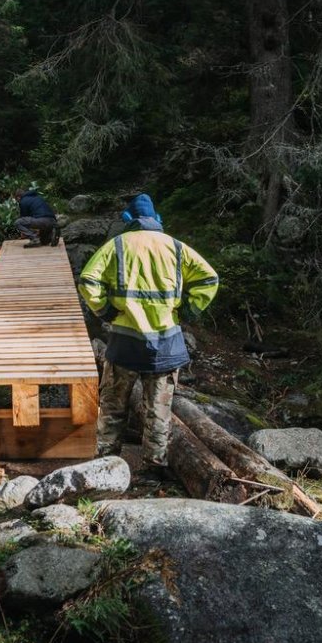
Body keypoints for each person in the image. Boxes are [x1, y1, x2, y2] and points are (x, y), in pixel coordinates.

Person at [78, 198, 219, 478]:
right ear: (156, 218)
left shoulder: (117, 245)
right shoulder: (176, 247)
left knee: (113, 406)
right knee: (158, 411)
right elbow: (209, 279)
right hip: (165, 345)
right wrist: (188, 310)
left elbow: (88, 281)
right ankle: (154, 468)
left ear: (129, 219)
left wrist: (106, 311)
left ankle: (105, 464)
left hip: (124, 343)